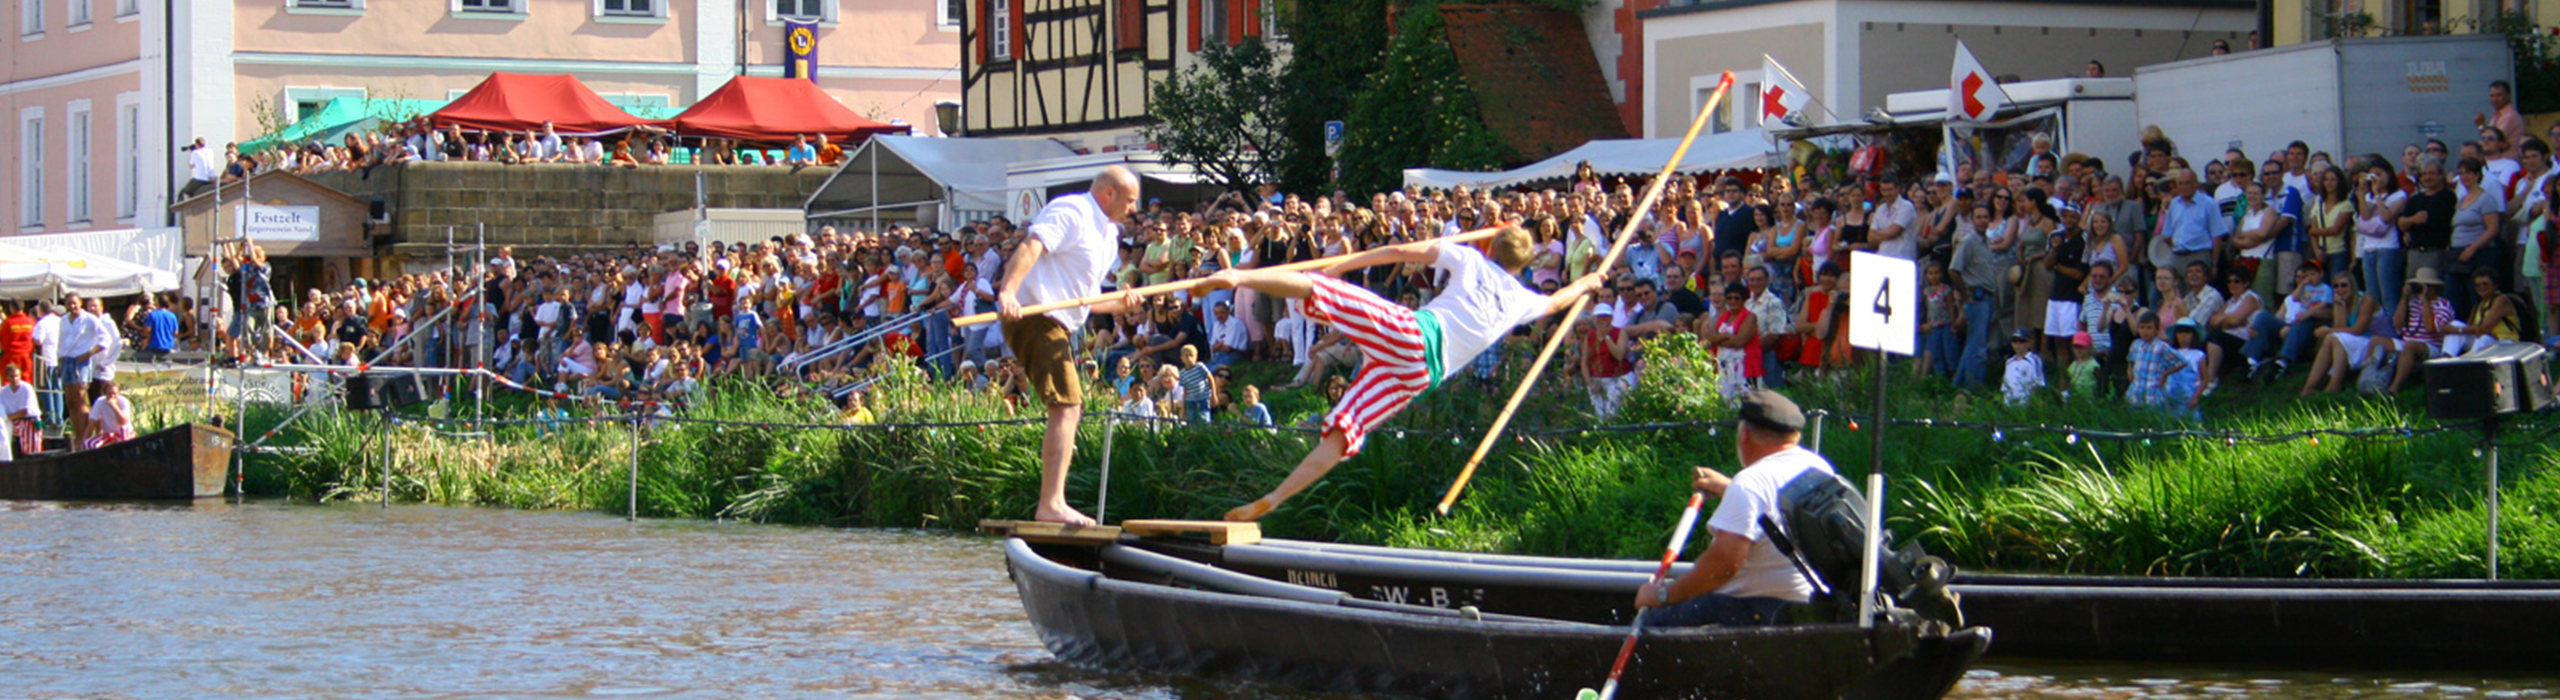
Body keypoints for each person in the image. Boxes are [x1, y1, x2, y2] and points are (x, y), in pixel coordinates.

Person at [1193, 224, 1602, 521]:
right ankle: (1275, 498)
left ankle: (1238, 277)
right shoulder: (1523, 299)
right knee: (1345, 430)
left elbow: (1400, 252)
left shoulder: (1471, 259)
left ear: (1493, 247)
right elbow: (1560, 300)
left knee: (1319, 289)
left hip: (1414, 335)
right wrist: (1590, 280)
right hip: (1420, 376)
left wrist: (1342, 266)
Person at [996, 166, 1143, 527]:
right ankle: (1051, 503)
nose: (1133, 209)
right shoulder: (1073, 211)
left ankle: (1053, 500)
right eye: (1130, 200)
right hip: (1034, 315)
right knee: (1067, 405)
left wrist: (1119, 304)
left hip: (1060, 320)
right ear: (1108, 193)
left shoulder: (1109, 234)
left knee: (1070, 407)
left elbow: (1085, 298)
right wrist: (1009, 291)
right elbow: (1032, 246)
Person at [1632, 390, 1827, 627]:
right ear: (1793, 436)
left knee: (1651, 623)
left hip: (1756, 609)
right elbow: (1775, 507)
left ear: (1744, 434)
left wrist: (1662, 596)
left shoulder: (1750, 484)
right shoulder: (1816, 466)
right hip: (1808, 606)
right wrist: (1729, 487)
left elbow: (1724, 565)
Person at [80, 379, 134, 451]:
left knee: (123, 431)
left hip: (123, 432)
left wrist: (114, 406)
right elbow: (91, 423)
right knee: (89, 444)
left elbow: (123, 422)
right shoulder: (100, 402)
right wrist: (84, 441)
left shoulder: (123, 401)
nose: (112, 396)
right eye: (109, 393)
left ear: (118, 393)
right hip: (108, 434)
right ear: (105, 394)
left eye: (114, 393)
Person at [0, 363, 35, 457]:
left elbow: (25, 411)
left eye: (17, 376)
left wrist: (7, 417)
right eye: (12, 377)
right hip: (13, 421)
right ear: (7, 377)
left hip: (29, 420)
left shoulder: (26, 388)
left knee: (29, 452)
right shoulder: (4, 391)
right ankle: (4, 457)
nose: (15, 379)